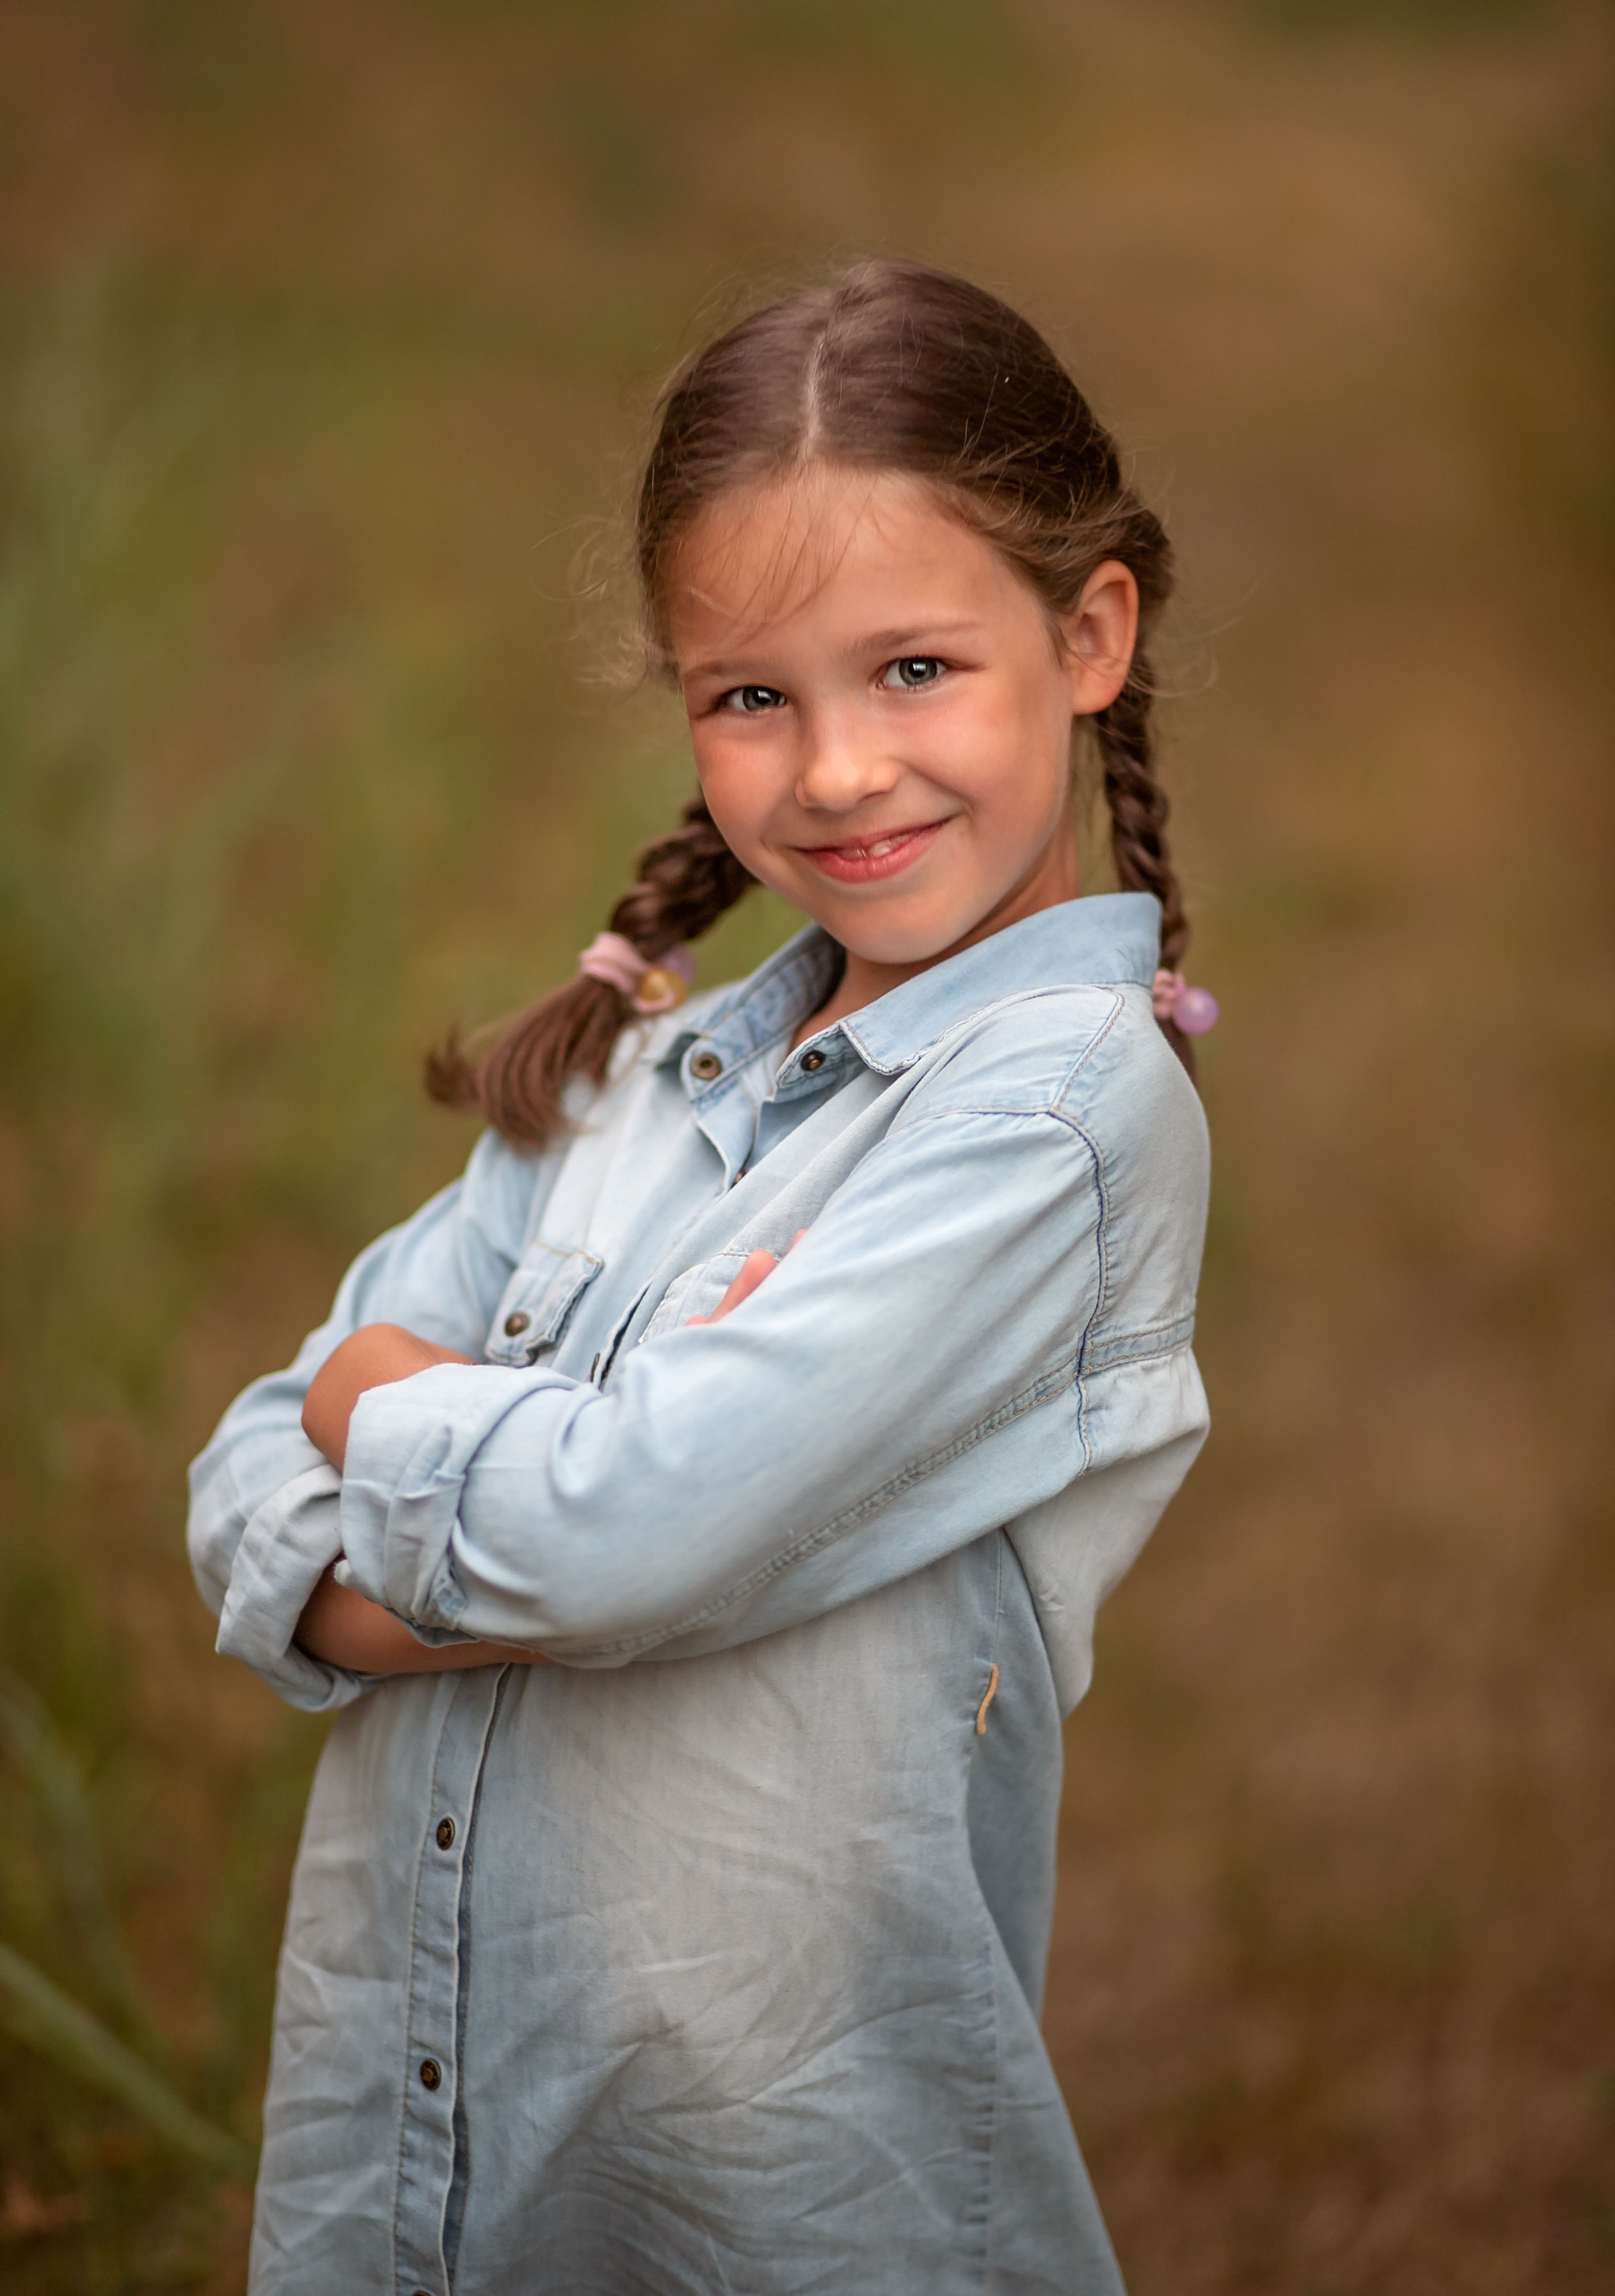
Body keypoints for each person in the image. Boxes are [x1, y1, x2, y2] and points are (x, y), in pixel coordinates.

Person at [188, 256, 1216, 2295]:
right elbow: (236, 1474)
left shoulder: (1051, 1124)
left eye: (914, 669)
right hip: (455, 2104)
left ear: (1089, 633)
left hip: (787, 2171)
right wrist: (515, 1520)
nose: (835, 772)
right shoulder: (643, 1075)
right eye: (754, 695)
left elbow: (611, 1528)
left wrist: (385, 1427)